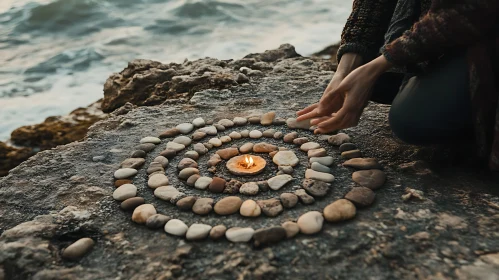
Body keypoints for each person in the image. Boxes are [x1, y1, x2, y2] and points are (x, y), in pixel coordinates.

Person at [297, 0, 499, 170]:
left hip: (483, 30)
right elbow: (372, 4)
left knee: (412, 121)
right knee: (359, 82)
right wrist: (344, 70)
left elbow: (474, 12)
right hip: (433, 19)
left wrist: (381, 63)